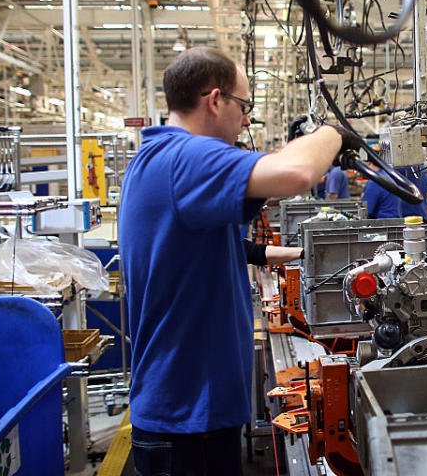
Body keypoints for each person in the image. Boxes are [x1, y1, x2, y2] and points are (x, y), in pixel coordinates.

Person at [118, 47, 357, 475]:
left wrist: (299, 145)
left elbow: (268, 183)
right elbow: (298, 175)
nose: (246, 121)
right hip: (189, 422)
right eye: (244, 107)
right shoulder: (185, 158)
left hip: (188, 414)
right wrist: (333, 135)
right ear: (214, 101)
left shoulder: (160, 159)